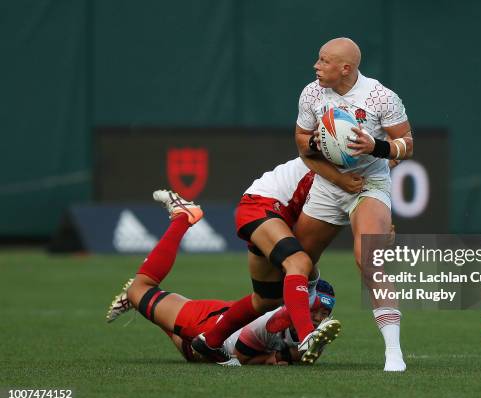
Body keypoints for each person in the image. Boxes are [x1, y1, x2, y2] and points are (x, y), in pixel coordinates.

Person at [106, 190, 341, 365]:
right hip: (209, 323)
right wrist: (273, 357)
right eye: (317, 309)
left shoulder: (314, 338)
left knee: (189, 350)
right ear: (301, 300)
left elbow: (292, 355)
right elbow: (240, 354)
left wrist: (283, 355)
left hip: (214, 333)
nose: (320, 318)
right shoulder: (274, 321)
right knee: (142, 288)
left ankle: (138, 300)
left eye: (324, 314)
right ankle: (182, 216)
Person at [293, 37, 414, 372]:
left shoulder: (380, 96)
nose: (316, 66)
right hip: (329, 184)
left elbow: (406, 143)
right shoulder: (311, 93)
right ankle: (296, 331)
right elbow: (302, 143)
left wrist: (375, 146)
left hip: (370, 183)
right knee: (296, 261)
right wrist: (319, 146)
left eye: (323, 61)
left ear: (345, 68)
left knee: (369, 260)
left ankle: (394, 352)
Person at [191, 157, 357, 364]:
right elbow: (308, 146)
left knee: (266, 299)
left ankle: (210, 341)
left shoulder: (356, 168)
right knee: (299, 262)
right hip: (263, 205)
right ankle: (307, 336)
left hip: (272, 214)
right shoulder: (339, 159)